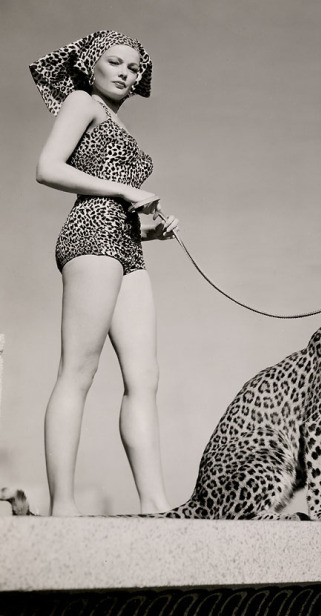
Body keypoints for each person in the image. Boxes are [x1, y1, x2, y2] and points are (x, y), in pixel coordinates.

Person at [30, 30, 178, 516]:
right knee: (79, 369)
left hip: (128, 244)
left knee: (145, 377)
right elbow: (48, 167)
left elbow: (119, 196)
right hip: (90, 234)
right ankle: (64, 506)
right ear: (91, 64)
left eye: (134, 68)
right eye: (115, 62)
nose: (125, 73)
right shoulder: (81, 102)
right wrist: (124, 190)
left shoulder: (119, 124)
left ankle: (156, 506)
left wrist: (149, 229)